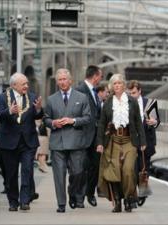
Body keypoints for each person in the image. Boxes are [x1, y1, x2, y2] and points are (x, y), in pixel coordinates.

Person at [96, 74, 146, 213]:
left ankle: (129, 198)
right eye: (115, 84)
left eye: (119, 83)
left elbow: (138, 122)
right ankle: (117, 201)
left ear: (123, 85)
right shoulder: (108, 102)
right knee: (114, 172)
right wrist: (100, 143)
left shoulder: (132, 101)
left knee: (128, 170)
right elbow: (102, 124)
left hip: (129, 140)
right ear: (112, 86)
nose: (117, 85)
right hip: (113, 141)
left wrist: (142, 141)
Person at [43, 68, 91, 213]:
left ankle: (73, 192)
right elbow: (45, 118)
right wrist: (53, 123)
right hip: (58, 142)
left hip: (76, 142)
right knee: (59, 175)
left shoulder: (81, 97)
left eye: (65, 79)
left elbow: (88, 118)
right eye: (60, 80)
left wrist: (73, 120)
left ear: (70, 80)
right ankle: (61, 204)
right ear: (57, 82)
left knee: (77, 173)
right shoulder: (51, 99)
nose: (62, 82)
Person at [0, 72, 43, 211]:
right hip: (9, 142)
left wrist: (39, 109)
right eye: (24, 84)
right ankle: (13, 202)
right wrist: (8, 111)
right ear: (14, 85)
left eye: (27, 83)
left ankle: (25, 201)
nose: (27, 86)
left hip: (28, 142)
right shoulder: (2, 97)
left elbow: (37, 115)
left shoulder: (32, 96)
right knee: (11, 174)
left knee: (27, 171)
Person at [127, 80, 160, 205]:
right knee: (131, 170)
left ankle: (143, 194)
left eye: (134, 93)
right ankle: (133, 196)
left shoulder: (150, 103)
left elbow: (157, 121)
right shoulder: (126, 104)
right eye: (130, 93)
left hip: (147, 141)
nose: (132, 95)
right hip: (131, 142)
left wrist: (154, 122)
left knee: (144, 170)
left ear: (139, 91)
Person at [75, 65, 103, 207]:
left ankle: (90, 193)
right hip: (83, 136)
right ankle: (79, 197)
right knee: (81, 168)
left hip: (95, 137)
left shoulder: (94, 92)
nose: (101, 79)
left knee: (95, 167)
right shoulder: (80, 90)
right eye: (100, 76)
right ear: (95, 76)